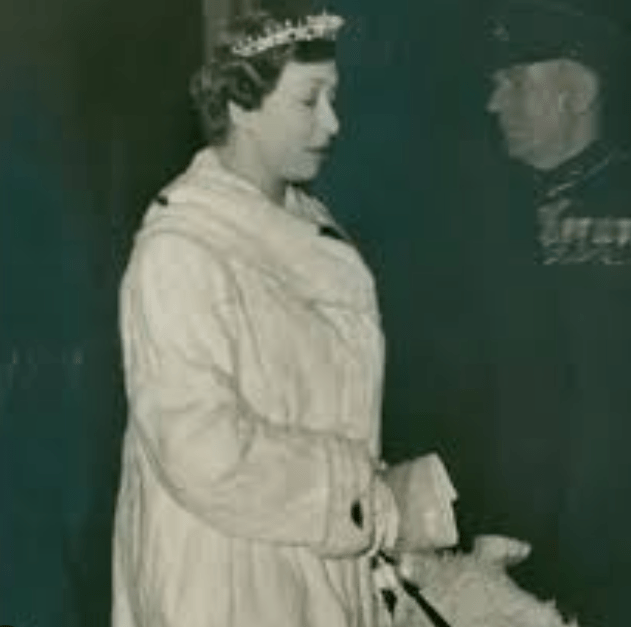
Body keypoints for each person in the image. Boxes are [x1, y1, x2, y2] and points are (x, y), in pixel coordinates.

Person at [111, 4, 458, 627]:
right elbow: (202, 450)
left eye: (333, 98)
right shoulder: (182, 251)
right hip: (227, 583)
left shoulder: (314, 226)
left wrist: (378, 501)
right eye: (308, 100)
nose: (332, 122)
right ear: (242, 107)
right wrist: (365, 498)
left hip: (318, 571)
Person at [470, 1, 631, 624]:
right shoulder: (484, 208)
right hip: (512, 549)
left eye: (513, 81)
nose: (493, 102)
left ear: (576, 93)